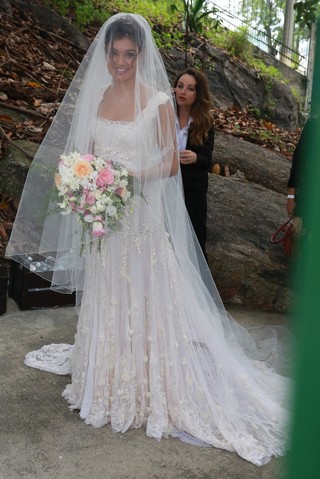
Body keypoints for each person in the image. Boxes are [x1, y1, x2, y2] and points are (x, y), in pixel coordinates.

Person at [6, 13, 290, 466]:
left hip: (138, 222)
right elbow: (89, 157)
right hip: (105, 225)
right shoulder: (98, 97)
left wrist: (127, 177)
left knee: (143, 295)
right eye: (115, 54)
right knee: (109, 293)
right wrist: (87, 186)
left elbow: (171, 164)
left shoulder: (157, 100)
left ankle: (147, 381)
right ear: (106, 54)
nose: (121, 62)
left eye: (129, 55)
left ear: (141, 56)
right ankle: (106, 375)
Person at [173, 68, 214, 257]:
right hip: (165, 184)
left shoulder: (204, 122)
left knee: (194, 239)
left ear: (198, 94)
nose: (183, 92)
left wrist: (196, 158)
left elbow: (208, 160)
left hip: (193, 190)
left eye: (190, 89)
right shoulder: (163, 114)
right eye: (180, 86)